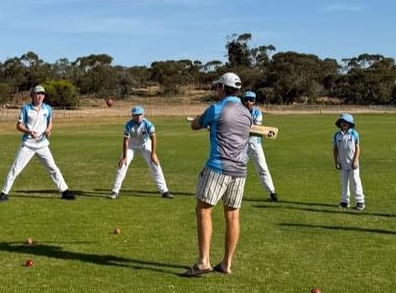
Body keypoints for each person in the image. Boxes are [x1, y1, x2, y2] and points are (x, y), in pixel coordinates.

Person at [183, 72, 252, 277]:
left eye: (218, 87)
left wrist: (201, 121)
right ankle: (226, 264)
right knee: (232, 215)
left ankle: (204, 261)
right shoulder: (247, 112)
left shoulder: (216, 108)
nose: (216, 90)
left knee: (203, 210)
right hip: (240, 170)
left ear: (222, 88)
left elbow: (195, 125)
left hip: (218, 166)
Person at [0, 85, 76, 202]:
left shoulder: (47, 108)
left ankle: (65, 191)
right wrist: (28, 131)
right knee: (15, 168)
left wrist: (48, 130)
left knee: (53, 168)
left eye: (42, 94)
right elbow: (18, 125)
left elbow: (50, 123)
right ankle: (4, 193)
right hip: (28, 144)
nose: (40, 96)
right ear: (32, 95)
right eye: (38, 94)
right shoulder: (26, 109)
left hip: (42, 144)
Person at [108, 105, 172, 199]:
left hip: (145, 144)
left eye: (140, 115)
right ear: (132, 115)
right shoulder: (128, 125)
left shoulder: (148, 124)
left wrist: (153, 154)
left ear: (143, 114)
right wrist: (125, 157)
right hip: (131, 145)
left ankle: (164, 191)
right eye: (136, 115)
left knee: (155, 165)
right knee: (122, 165)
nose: (138, 117)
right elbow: (125, 141)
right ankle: (115, 191)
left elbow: (153, 139)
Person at [242, 91, 278, 202]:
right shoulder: (239, 111)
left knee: (262, 167)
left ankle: (272, 191)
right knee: (238, 167)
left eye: (251, 100)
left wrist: (245, 128)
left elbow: (256, 128)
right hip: (241, 143)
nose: (249, 102)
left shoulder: (257, 112)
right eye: (247, 99)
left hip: (255, 143)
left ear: (254, 101)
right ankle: (231, 191)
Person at [332, 113, 364, 211]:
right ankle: (344, 202)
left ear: (350, 123)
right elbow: (335, 149)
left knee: (355, 181)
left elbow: (358, 148)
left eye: (346, 122)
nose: (344, 123)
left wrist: (355, 161)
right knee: (344, 183)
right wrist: (336, 161)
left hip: (353, 163)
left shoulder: (354, 134)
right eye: (342, 122)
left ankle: (360, 202)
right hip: (342, 163)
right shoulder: (336, 135)